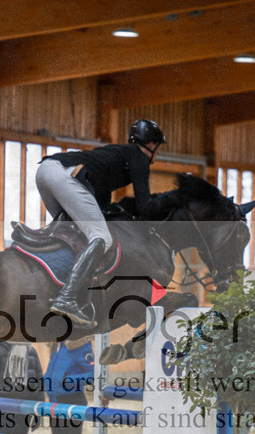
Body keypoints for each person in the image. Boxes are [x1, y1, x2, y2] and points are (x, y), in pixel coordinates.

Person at [36, 118, 175, 328]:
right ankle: (67, 297)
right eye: (157, 146)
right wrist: (168, 201)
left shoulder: (118, 153)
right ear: (152, 144)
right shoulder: (138, 157)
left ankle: (57, 286)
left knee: (73, 234)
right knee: (102, 238)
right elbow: (144, 205)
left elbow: (99, 197)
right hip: (65, 176)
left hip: (46, 171)